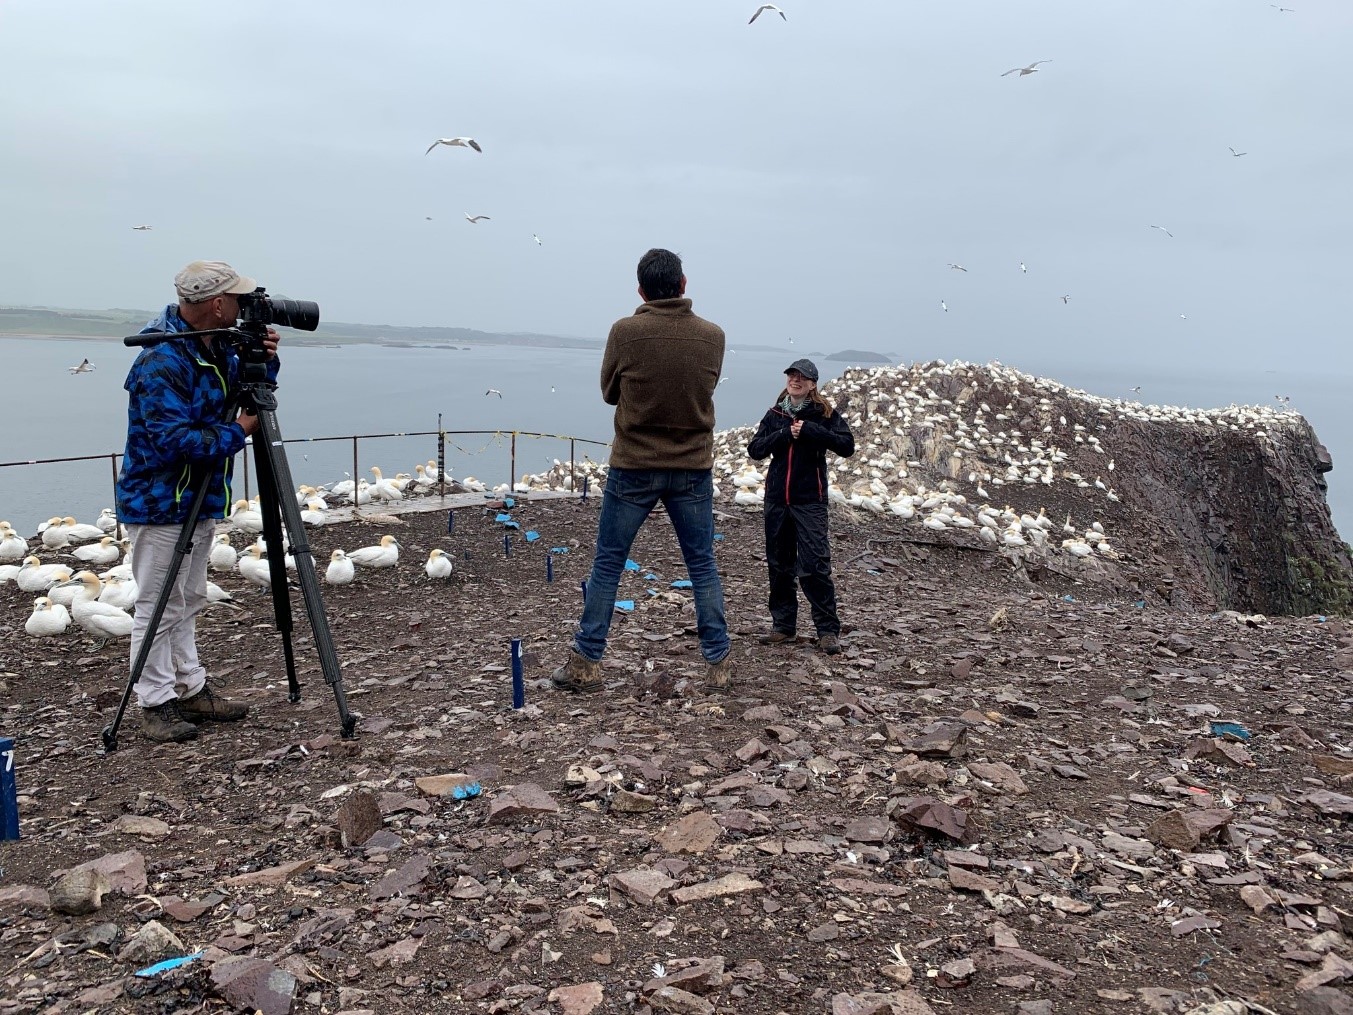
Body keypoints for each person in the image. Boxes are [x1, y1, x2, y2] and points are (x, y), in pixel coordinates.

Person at [552, 248, 734, 693]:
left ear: (641, 290)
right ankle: (719, 664)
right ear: (684, 284)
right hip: (692, 466)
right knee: (702, 564)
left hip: (633, 465)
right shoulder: (713, 336)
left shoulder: (625, 332)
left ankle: (585, 662)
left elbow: (609, 392)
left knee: (609, 562)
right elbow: (702, 388)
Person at [116, 260, 280, 743]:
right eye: (239, 299)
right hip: (161, 501)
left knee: (189, 598)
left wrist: (263, 360)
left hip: (201, 494)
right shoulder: (161, 359)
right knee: (157, 602)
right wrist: (240, 430)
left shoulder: (214, 344)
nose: (245, 307)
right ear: (217, 303)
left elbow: (248, 390)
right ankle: (155, 701)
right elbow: (174, 441)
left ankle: (190, 686)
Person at [746, 358, 855, 654]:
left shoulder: (824, 414)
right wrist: (784, 434)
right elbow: (755, 449)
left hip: (810, 500)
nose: (795, 380)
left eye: (802, 377)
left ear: (812, 384)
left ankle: (827, 631)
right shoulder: (775, 414)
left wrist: (810, 431)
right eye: (792, 375)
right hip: (777, 500)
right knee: (779, 565)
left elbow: (846, 446)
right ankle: (783, 627)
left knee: (814, 566)